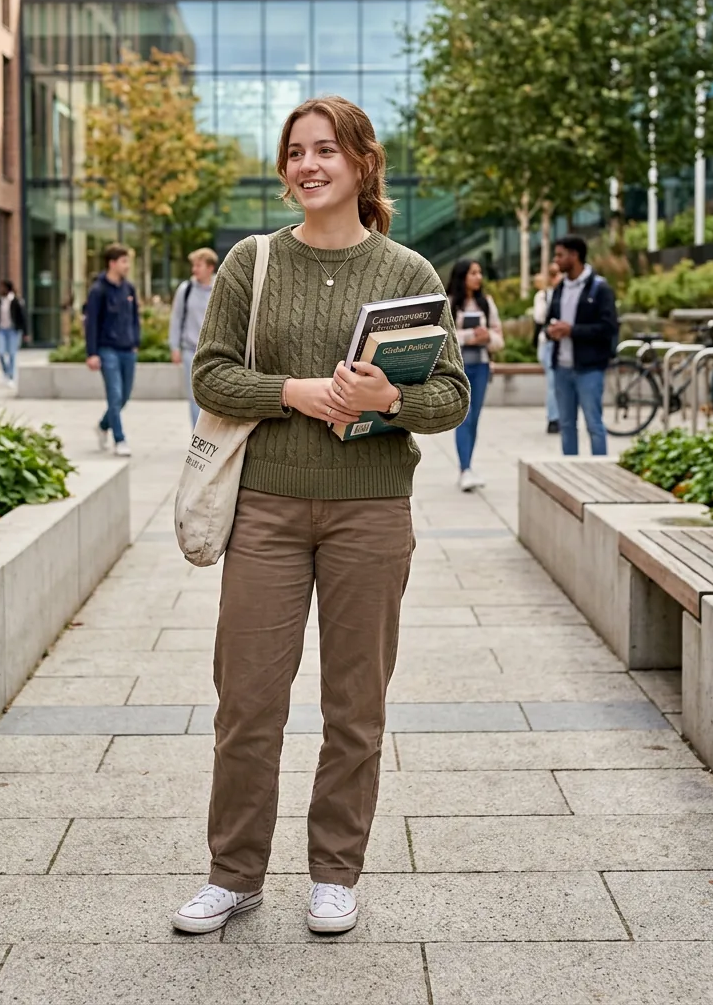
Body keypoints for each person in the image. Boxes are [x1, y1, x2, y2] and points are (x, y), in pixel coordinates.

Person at [172, 95, 470, 938]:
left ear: (362, 163)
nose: (308, 165)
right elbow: (212, 376)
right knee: (248, 702)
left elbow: (451, 396)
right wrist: (296, 393)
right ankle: (233, 873)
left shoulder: (409, 272)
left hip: (371, 512)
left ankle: (335, 873)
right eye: (295, 152)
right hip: (263, 508)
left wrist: (389, 399)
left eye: (325, 151)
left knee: (355, 704)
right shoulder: (252, 262)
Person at [546, 235, 618, 457]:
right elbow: (547, 322)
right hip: (562, 368)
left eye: (560, 255)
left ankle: (600, 473)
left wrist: (572, 330)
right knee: (567, 425)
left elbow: (608, 328)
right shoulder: (559, 289)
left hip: (589, 368)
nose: (556, 260)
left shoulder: (600, 288)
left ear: (574, 255)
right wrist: (550, 332)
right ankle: (570, 472)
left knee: (594, 424)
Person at [447, 258, 504, 492]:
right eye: (473, 273)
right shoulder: (449, 303)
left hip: (481, 368)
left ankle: (468, 466)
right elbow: (444, 338)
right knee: (464, 417)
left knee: (475, 418)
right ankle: (464, 468)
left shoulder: (487, 304)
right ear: (462, 276)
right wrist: (471, 336)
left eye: (480, 272)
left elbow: (499, 339)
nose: (478, 277)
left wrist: (487, 337)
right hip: (458, 369)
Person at [85, 244, 140, 458]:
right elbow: (91, 323)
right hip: (107, 349)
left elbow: (135, 318)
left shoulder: (129, 289)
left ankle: (102, 425)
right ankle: (120, 438)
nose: (127, 266)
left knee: (124, 396)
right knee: (115, 395)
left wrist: (136, 341)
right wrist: (92, 353)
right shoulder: (98, 290)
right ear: (112, 263)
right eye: (124, 261)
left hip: (128, 349)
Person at [168, 247, 218, 427]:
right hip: (190, 350)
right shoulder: (186, 289)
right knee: (194, 395)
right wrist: (174, 347)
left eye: (198, 265)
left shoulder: (219, 287)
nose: (194, 269)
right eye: (194, 265)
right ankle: (197, 435)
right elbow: (176, 317)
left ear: (210, 268)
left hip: (213, 351)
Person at [533, 260, 563, 435]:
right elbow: (540, 317)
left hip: (563, 343)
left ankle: (560, 416)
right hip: (548, 343)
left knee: (559, 383)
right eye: (553, 274)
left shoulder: (568, 293)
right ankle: (553, 418)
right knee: (553, 382)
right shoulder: (544, 295)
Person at [0, 279, 26, 387]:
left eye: (2, 287)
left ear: (7, 288)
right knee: (0, 353)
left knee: (12, 353)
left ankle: (11, 376)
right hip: (0, 330)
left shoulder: (16, 301)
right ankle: (5, 373)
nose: (0, 290)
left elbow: (22, 317)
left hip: (13, 330)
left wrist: (25, 332)